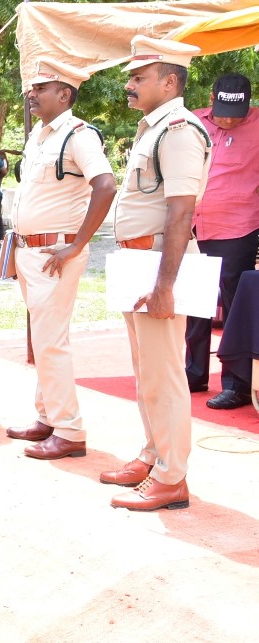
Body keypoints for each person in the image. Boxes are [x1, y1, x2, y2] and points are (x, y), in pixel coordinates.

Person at [101, 37, 211, 511]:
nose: (129, 84)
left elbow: (180, 210)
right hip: (136, 260)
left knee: (165, 374)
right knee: (146, 370)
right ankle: (153, 454)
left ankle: (172, 476)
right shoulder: (154, 128)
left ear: (169, 82)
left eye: (138, 77)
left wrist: (164, 285)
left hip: (158, 264)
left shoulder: (179, 129)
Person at [7, 59, 117, 460]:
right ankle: (49, 417)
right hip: (30, 251)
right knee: (43, 338)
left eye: (41, 88)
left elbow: (105, 185)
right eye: (31, 88)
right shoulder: (39, 134)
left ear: (65, 95)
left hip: (55, 253)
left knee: (51, 341)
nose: (31, 94)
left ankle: (69, 430)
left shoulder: (78, 135)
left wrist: (76, 244)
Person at [186, 73, 259, 409]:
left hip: (239, 228)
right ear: (212, 98)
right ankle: (194, 373)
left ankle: (237, 384)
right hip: (194, 226)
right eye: (223, 111)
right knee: (195, 302)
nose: (229, 119)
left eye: (237, 112)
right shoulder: (193, 123)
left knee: (235, 306)